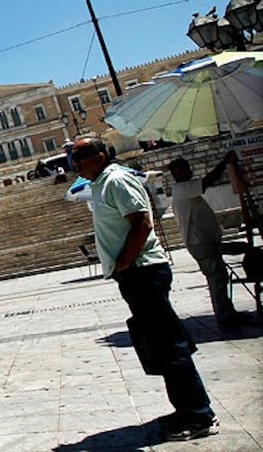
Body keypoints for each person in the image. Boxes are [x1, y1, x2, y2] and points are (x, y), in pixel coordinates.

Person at [71, 137, 218, 442]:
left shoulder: (117, 180)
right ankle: (185, 409)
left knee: (169, 343)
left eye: (80, 156)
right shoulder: (101, 184)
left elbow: (141, 222)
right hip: (135, 273)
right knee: (161, 344)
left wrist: (125, 261)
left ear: (99, 156)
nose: (74, 163)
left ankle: (199, 414)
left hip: (143, 271)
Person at [168, 153, 251, 326]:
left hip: (205, 241)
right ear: (176, 173)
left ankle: (227, 311)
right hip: (200, 242)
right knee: (216, 277)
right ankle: (224, 315)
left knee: (219, 276)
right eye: (182, 170)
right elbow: (208, 181)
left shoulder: (184, 189)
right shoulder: (183, 189)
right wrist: (225, 162)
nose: (188, 172)